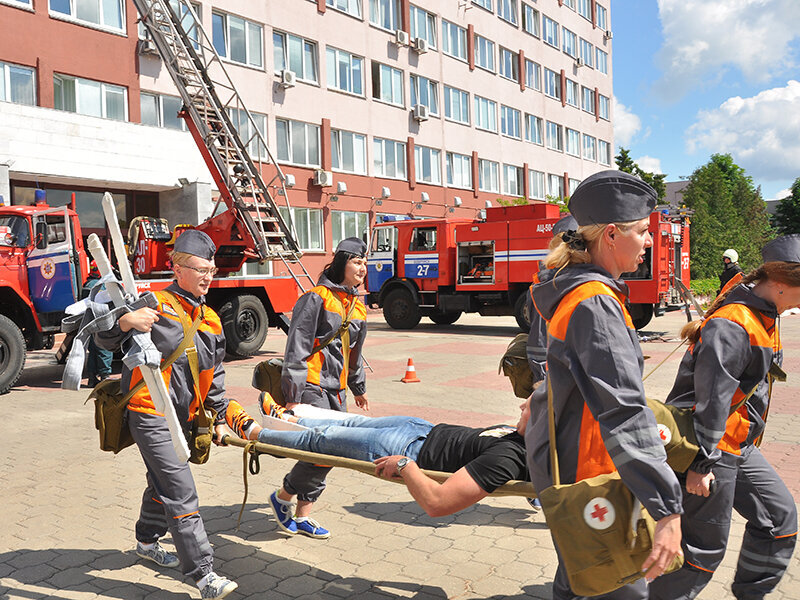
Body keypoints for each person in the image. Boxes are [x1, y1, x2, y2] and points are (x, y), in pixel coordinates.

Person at [525, 170, 684, 599]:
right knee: (617, 585)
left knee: (582, 580)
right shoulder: (595, 301)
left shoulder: (582, 291)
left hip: (573, 459)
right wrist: (666, 509)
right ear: (612, 235)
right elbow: (623, 410)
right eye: (642, 232)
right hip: (589, 469)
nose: (649, 241)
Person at [648, 235, 800, 600]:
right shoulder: (735, 322)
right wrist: (702, 463)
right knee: (702, 551)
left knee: (780, 522)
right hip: (710, 445)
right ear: (780, 284)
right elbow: (712, 400)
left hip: (738, 444)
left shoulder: (764, 311)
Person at [96, 230, 237, 600]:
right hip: (149, 411)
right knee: (180, 488)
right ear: (176, 268)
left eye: (211, 270)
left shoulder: (210, 318)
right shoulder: (152, 302)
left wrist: (218, 417)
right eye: (200, 269)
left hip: (184, 417)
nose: (208, 276)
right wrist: (126, 322)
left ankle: (145, 541)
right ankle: (205, 576)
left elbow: (215, 374)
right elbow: (101, 335)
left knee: (161, 482)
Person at [225, 393, 530, 517]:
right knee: (344, 422)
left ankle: (253, 433)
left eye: (529, 406)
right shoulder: (521, 434)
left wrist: (405, 466)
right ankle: (289, 420)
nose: (521, 406)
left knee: (323, 441)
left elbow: (438, 504)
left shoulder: (509, 457)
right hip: (421, 429)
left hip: (406, 450)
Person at [270, 237, 369, 539]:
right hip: (312, 385)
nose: (362, 268)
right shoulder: (316, 298)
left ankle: (298, 511)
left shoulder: (358, 307)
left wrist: (358, 387)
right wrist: (292, 396)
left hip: (337, 390)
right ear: (342, 262)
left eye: (365, 263)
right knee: (325, 450)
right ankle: (286, 498)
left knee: (331, 451)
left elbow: (355, 353)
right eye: (356, 262)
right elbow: (296, 347)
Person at [525, 213, 578, 385]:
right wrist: (542, 380)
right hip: (557, 383)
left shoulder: (552, 282)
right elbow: (539, 339)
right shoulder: (550, 285)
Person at [83, 260, 113, 387]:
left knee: (93, 350)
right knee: (105, 348)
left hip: (90, 322)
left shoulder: (88, 284)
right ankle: (105, 378)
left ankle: (92, 378)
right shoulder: (102, 285)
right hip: (102, 321)